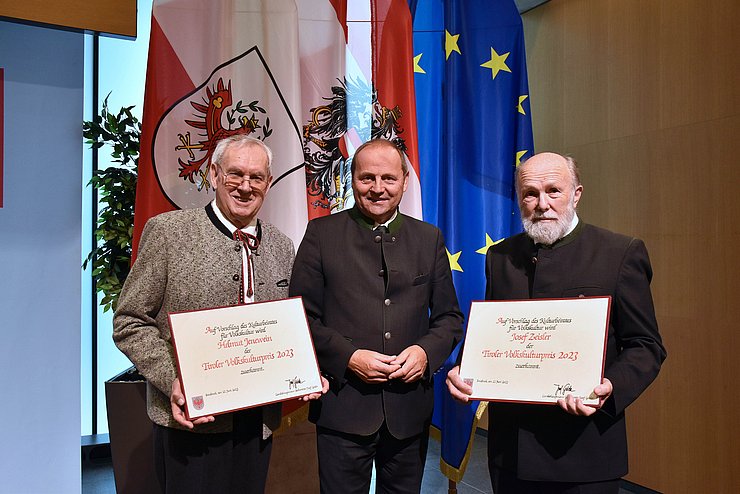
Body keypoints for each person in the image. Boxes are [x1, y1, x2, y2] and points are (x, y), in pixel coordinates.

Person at [446, 152, 666, 493]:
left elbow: (646, 346)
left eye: (553, 191)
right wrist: (466, 369)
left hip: (585, 451)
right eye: (530, 193)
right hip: (512, 451)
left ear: (576, 194)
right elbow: (496, 334)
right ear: (519, 199)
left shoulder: (619, 253)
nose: (541, 203)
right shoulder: (501, 256)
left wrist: (611, 388)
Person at [113, 135, 322, 493]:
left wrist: (307, 372)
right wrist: (173, 381)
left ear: (269, 183)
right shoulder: (168, 233)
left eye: (256, 177)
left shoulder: (281, 244)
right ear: (213, 174)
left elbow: (288, 327)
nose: (245, 186)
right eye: (235, 174)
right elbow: (129, 321)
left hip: (257, 420)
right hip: (191, 420)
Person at [289, 139, 464, 493]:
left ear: (403, 181)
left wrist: (425, 353)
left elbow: (449, 318)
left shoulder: (428, 238)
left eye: (388, 178)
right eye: (367, 178)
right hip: (343, 408)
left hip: (409, 410)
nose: (378, 188)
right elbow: (301, 317)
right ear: (351, 179)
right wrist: (348, 357)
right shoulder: (321, 235)